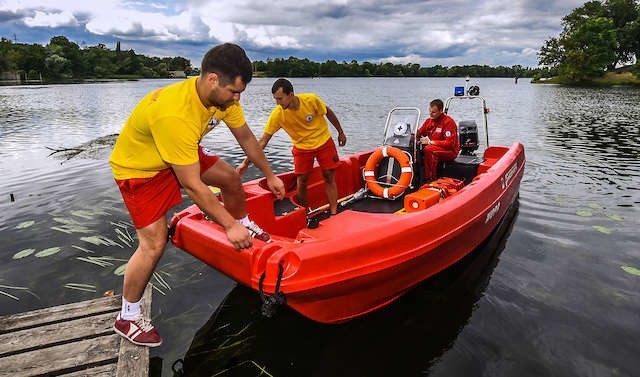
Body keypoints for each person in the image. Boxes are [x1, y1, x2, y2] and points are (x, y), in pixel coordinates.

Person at [109, 43, 285, 347]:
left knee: (230, 178)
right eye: (234, 91)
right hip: (140, 169)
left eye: (240, 92)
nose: (237, 98)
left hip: (178, 151)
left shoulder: (225, 99)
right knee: (154, 243)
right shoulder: (175, 114)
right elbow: (192, 185)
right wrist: (228, 226)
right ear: (213, 79)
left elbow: (246, 138)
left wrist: (269, 174)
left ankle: (244, 221)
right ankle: (127, 316)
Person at [237, 78, 346, 215]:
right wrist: (245, 163)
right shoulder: (278, 114)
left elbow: (328, 112)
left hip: (323, 141)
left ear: (291, 95)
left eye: (280, 99)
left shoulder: (311, 100)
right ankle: (304, 214)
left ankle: (334, 211)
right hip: (301, 147)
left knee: (329, 176)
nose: (278, 103)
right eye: (275, 99)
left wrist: (340, 133)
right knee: (301, 181)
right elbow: (263, 141)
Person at [417, 99, 460, 181]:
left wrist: (430, 142)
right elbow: (419, 133)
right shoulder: (429, 121)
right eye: (430, 111)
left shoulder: (448, 122)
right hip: (437, 147)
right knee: (419, 148)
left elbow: (450, 143)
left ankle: (430, 178)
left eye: (433, 112)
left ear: (441, 111)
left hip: (450, 151)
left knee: (429, 149)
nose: (430, 114)